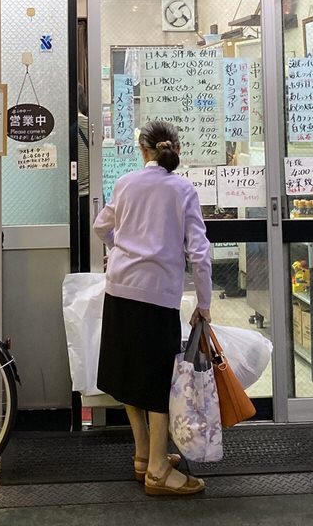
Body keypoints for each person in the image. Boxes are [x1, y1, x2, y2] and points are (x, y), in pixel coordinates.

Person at [94, 119, 212, 497]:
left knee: (129, 372)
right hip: (157, 294)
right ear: (175, 149)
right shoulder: (181, 189)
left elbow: (101, 226)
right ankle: (159, 471)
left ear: (143, 150)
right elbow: (200, 252)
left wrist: (121, 247)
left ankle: (144, 454)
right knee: (161, 380)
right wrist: (205, 304)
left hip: (120, 288)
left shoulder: (126, 183)